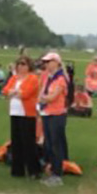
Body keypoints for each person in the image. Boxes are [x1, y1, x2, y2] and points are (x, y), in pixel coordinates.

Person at [3, 55, 42, 179]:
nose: (20, 66)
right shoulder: (14, 78)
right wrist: (15, 92)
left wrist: (14, 92)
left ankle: (33, 170)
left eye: (23, 64)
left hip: (27, 113)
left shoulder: (33, 78)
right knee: (16, 141)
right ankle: (17, 170)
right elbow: (5, 90)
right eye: (19, 64)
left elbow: (26, 94)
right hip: (14, 112)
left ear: (29, 66)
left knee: (28, 142)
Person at [37, 51, 69, 186]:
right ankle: (51, 170)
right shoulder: (48, 77)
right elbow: (41, 94)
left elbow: (52, 97)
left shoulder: (60, 79)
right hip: (46, 113)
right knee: (49, 144)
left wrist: (43, 98)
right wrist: (42, 99)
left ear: (56, 63)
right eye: (45, 62)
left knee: (56, 145)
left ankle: (57, 174)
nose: (46, 64)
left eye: (49, 62)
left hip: (57, 114)